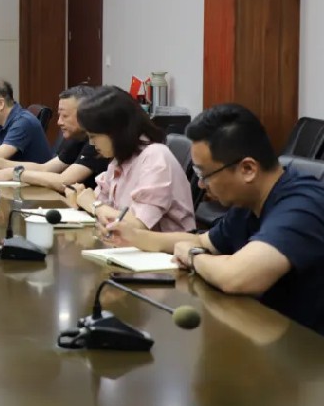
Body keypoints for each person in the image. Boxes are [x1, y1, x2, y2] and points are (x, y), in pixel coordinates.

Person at [102, 104, 324, 335]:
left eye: (204, 174)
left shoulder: (303, 205)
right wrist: (135, 236)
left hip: (308, 346)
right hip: (267, 329)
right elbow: (202, 241)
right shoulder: (249, 200)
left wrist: (192, 256)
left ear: (248, 169)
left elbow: (237, 277)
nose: (200, 184)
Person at [71, 85, 194, 231]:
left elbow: (137, 226)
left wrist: (92, 204)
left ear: (116, 131)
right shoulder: (120, 159)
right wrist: (81, 198)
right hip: (123, 243)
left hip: (164, 245)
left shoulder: (155, 157)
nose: (92, 143)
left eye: (93, 136)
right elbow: (101, 206)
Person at [0, 85, 109, 192]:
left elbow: (64, 181)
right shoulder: (77, 138)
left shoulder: (98, 142)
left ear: (86, 114)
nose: (59, 122)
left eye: (65, 116)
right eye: (59, 115)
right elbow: (45, 168)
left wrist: (16, 174)